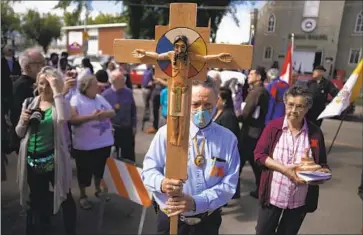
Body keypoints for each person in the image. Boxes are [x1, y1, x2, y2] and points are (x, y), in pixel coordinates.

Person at [142, 77, 240, 235]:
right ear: (187, 103)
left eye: (207, 105)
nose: (201, 111)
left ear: (217, 102)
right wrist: (162, 183)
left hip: (207, 222)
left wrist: (196, 202)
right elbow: (148, 170)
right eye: (195, 104)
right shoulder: (167, 134)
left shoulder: (228, 139)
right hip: (172, 220)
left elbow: (229, 184)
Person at [254, 84, 330, 235]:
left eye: (300, 106)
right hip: (273, 196)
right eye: (290, 105)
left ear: (307, 108)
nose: (294, 110)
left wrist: (321, 175)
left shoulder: (315, 133)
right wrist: (284, 169)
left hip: (299, 201)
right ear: (285, 104)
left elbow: (323, 164)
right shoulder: (273, 127)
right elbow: (259, 155)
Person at [16, 66, 76, 235]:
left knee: (65, 196)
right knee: (38, 199)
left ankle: (70, 230)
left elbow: (64, 118)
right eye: (42, 83)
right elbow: (19, 133)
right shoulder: (29, 102)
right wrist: (23, 120)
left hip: (54, 160)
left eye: (49, 84)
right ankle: (44, 227)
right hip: (32, 160)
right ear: (37, 84)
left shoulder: (60, 104)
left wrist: (58, 90)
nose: (45, 88)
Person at [69, 75, 115, 209]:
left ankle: (98, 190)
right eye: (95, 85)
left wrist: (103, 114)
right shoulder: (76, 100)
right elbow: (73, 119)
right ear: (86, 87)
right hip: (85, 146)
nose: (99, 87)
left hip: (104, 143)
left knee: (100, 170)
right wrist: (92, 117)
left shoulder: (100, 98)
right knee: (84, 172)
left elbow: (112, 112)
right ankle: (83, 196)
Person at [237, 66, 270, 199]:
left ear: (259, 77)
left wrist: (235, 117)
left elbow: (246, 112)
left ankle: (230, 190)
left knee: (238, 162)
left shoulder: (257, 92)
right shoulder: (259, 91)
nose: (248, 76)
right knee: (254, 162)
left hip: (250, 132)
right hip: (255, 131)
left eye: (251, 74)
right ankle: (262, 188)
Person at [11, 48, 45, 152]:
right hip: (28, 140)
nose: (43, 67)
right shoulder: (22, 86)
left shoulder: (36, 83)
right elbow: (17, 115)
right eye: (39, 63)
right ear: (28, 67)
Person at [102, 70, 137, 162]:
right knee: (111, 155)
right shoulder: (105, 95)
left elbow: (133, 110)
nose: (124, 81)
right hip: (112, 129)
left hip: (127, 128)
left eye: (124, 79)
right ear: (114, 81)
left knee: (128, 154)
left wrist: (134, 125)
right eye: (121, 79)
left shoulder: (128, 92)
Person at [213, 87, 242, 199]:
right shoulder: (219, 112)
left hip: (222, 153)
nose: (216, 100)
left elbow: (229, 137)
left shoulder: (228, 116)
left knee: (220, 177)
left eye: (218, 98)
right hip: (217, 151)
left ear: (224, 101)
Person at [141, 64, 154, 130]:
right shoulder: (146, 70)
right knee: (146, 104)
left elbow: (153, 79)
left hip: (148, 89)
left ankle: (147, 116)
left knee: (147, 104)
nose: (147, 65)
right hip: (144, 88)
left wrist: (151, 82)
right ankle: (146, 115)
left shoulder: (152, 71)